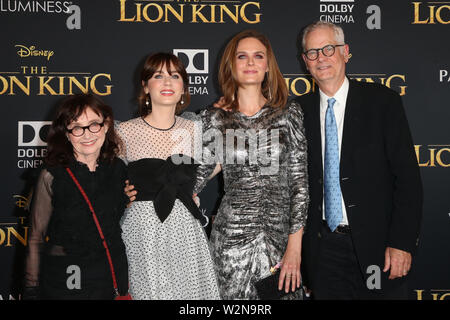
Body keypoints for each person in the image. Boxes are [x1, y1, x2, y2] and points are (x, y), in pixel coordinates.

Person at [296, 21, 423, 299]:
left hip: (380, 248)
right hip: (323, 251)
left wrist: (401, 243)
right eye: (313, 53)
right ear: (306, 62)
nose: (322, 58)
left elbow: (408, 180)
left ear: (346, 52)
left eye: (329, 48)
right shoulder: (296, 112)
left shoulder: (383, 103)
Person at [195, 29, 309, 299]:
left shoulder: (288, 113)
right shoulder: (214, 118)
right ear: (231, 65)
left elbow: (299, 186)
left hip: (279, 243)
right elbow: (195, 175)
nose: (250, 63)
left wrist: (294, 248)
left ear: (268, 65)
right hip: (230, 245)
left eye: (258, 56)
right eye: (242, 56)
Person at [116, 52, 220, 300]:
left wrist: (193, 189)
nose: (167, 82)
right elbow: (109, 182)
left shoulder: (196, 128)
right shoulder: (124, 132)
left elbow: (218, 163)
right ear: (145, 86)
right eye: (158, 75)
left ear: (183, 86)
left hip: (186, 231)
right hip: (142, 232)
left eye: (175, 75)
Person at [24, 93, 129, 299]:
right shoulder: (52, 174)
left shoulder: (118, 169)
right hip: (64, 278)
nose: (87, 134)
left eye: (93, 125)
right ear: (66, 133)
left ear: (106, 125)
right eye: (77, 128)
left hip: (110, 274)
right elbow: (36, 238)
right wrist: (31, 289)